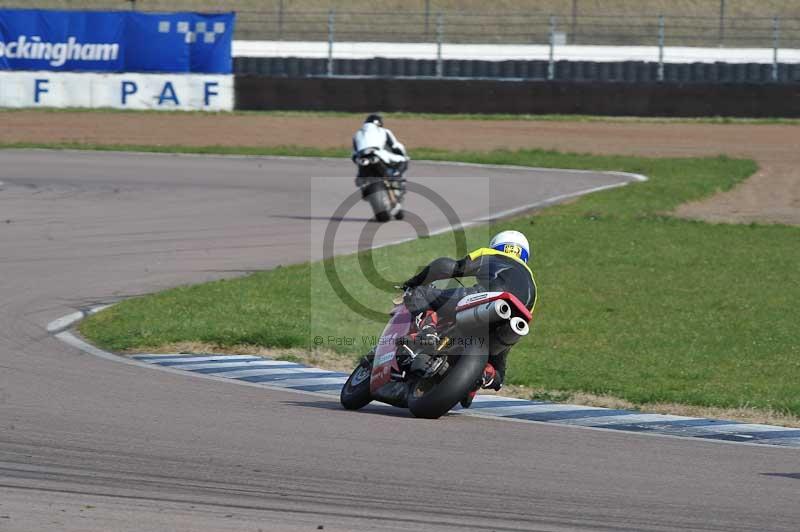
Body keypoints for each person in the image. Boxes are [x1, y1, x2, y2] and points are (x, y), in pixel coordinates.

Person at [400, 230, 537, 401]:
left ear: (496, 246)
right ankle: (486, 375)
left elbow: (448, 267)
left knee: (420, 293)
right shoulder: (533, 286)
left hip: (485, 297)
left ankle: (428, 331)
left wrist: (414, 281)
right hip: (508, 326)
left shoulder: (491, 255)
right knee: (499, 371)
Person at [352, 113, 409, 181]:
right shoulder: (384, 131)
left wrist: (357, 160)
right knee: (403, 160)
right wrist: (403, 155)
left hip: (362, 157)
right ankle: (395, 175)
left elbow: (354, 154)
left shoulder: (357, 133)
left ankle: (362, 177)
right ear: (379, 123)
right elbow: (395, 146)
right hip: (377, 153)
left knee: (361, 176)